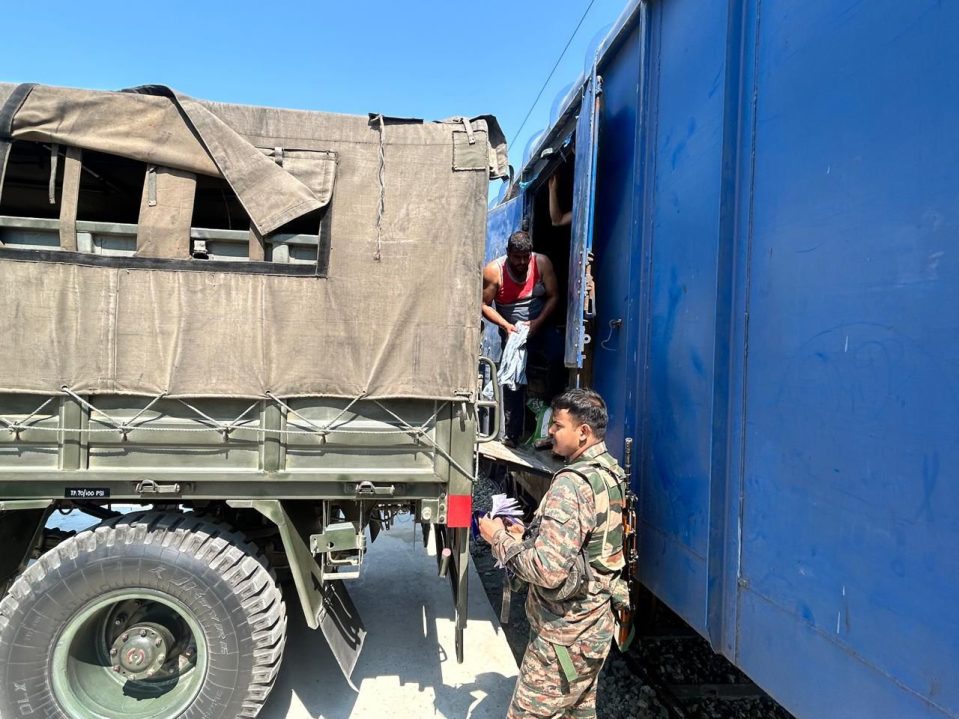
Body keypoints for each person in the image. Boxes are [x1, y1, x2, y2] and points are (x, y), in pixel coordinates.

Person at [479, 388, 628, 719]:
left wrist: (499, 538)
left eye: (557, 425)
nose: (549, 431)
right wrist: (526, 537)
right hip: (592, 631)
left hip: (563, 639)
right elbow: (585, 546)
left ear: (583, 432)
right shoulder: (609, 472)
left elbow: (547, 571)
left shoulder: (571, 485)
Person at [482, 230, 559, 446]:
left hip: (541, 327)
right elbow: (483, 305)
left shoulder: (542, 263)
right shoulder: (494, 272)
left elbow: (554, 296)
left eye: (526, 257)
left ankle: (553, 413)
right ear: (508, 253)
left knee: (559, 355)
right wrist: (506, 326)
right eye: (517, 257)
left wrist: (537, 322)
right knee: (512, 380)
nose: (522, 262)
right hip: (513, 333)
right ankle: (512, 435)